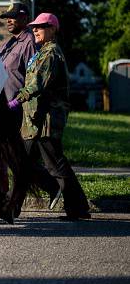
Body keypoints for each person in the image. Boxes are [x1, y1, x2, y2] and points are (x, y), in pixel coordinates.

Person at [0, 3, 61, 215]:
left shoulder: (30, 42)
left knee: (11, 155)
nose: (8, 20)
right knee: (0, 153)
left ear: (25, 18)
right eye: (6, 17)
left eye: (14, 16)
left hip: (16, 109)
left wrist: (18, 103)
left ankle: (46, 186)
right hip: (0, 107)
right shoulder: (9, 43)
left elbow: (34, 77)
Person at [8, 13, 91, 221]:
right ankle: (11, 205)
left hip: (46, 119)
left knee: (54, 164)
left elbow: (37, 84)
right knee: (22, 162)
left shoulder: (51, 53)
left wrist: (16, 101)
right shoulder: (42, 51)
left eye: (41, 26)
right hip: (35, 118)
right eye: (34, 27)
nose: (35, 29)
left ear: (53, 29)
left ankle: (78, 207)